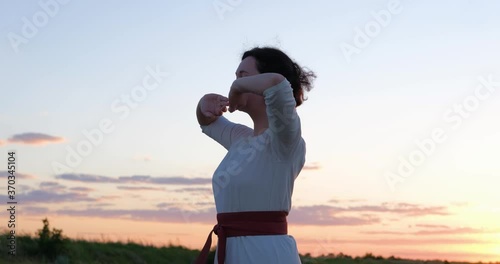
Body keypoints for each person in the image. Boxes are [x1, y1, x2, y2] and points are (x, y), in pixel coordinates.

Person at [195, 46, 316, 264]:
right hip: (230, 252)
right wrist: (203, 103)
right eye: (235, 78)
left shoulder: (285, 139)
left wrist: (236, 87)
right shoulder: (241, 139)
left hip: (267, 253)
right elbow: (207, 122)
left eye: (244, 76)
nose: (237, 84)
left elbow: (277, 83)